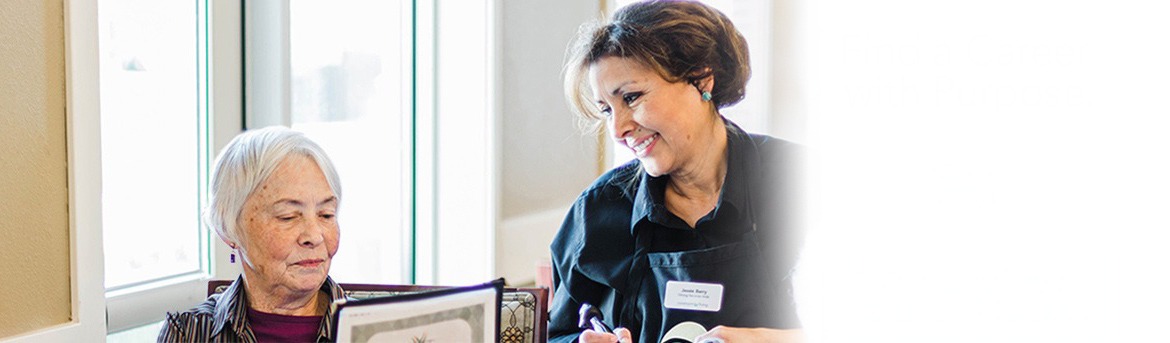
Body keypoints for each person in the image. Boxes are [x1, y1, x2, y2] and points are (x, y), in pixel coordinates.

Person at [550, 1, 805, 342]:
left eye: (631, 97)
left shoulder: (804, 184)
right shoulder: (597, 212)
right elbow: (558, 332)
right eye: (606, 109)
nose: (618, 129)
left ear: (702, 78)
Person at [158, 126, 345, 342]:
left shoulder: (379, 329)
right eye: (288, 216)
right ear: (229, 229)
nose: (314, 236)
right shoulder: (189, 333)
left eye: (326, 215)